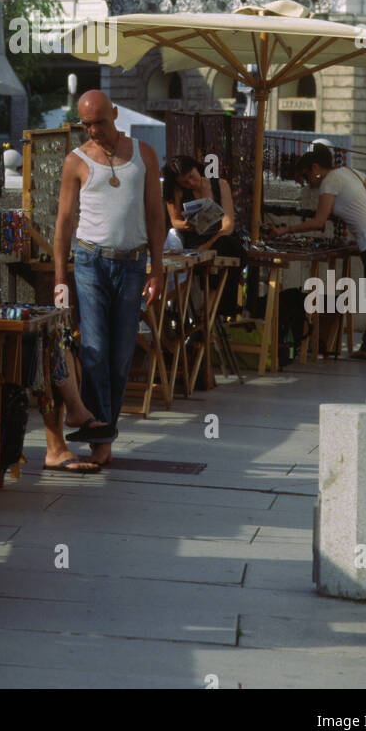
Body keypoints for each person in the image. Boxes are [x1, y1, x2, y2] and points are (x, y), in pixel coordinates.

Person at [52, 90, 164, 467]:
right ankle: (100, 436)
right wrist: (59, 278)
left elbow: (155, 215)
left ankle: (105, 431)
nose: (94, 130)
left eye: (100, 121)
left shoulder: (145, 154)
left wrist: (158, 269)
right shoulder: (76, 161)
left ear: (115, 114)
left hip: (133, 264)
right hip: (90, 262)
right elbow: (64, 223)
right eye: (87, 124)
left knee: (121, 356)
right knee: (95, 351)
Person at [267, 143, 366, 360]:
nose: (308, 183)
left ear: (315, 167)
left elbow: (319, 221)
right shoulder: (350, 172)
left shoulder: (329, 182)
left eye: (306, 176)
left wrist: (286, 230)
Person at [162, 154, 243, 317]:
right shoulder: (178, 190)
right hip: (194, 238)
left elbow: (227, 225)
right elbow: (175, 221)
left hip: (218, 239)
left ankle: (210, 304)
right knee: (232, 251)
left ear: (196, 168)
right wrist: (188, 224)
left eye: (191, 177)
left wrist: (207, 245)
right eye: (185, 182)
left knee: (231, 247)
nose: (191, 183)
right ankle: (216, 307)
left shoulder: (220, 185)